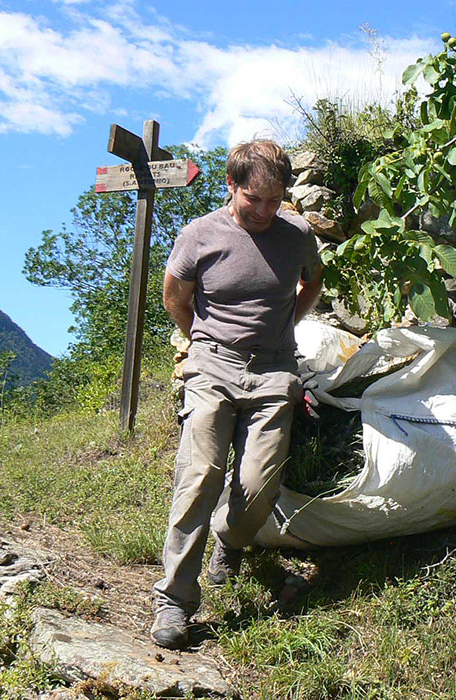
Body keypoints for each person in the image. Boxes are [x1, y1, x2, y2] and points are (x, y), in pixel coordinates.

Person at [151, 140, 322, 649]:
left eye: (276, 200)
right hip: (211, 366)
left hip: (273, 374)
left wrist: (287, 326)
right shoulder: (200, 234)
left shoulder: (297, 235)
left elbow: (312, 282)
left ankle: (230, 539)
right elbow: (174, 298)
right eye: (254, 199)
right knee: (200, 475)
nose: (267, 211)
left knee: (258, 486)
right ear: (231, 185)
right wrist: (204, 343)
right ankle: (175, 600)